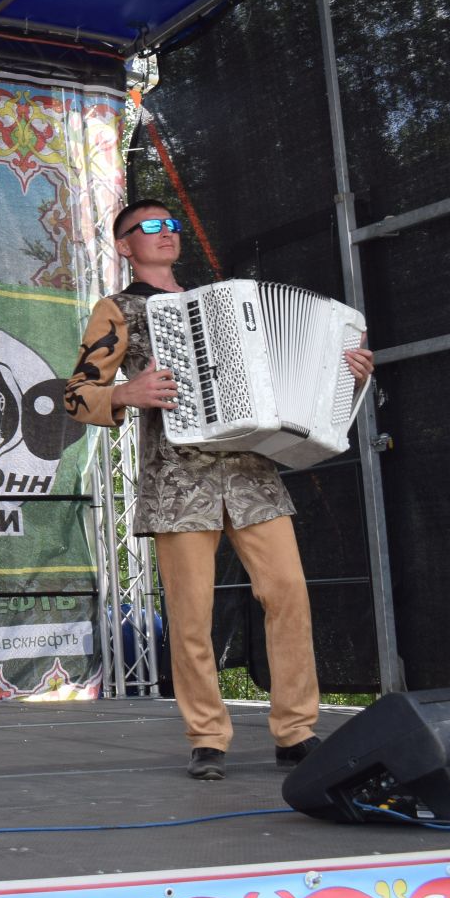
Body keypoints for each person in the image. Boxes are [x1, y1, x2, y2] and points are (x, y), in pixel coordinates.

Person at [64, 199, 373, 781]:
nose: (164, 232)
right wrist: (128, 394)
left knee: (288, 595)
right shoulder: (118, 309)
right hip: (180, 483)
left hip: (253, 474)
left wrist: (345, 372)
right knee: (190, 616)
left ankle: (296, 731)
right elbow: (76, 393)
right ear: (124, 246)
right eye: (148, 227)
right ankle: (207, 736)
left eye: (170, 224)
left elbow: (289, 376)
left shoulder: (225, 306)